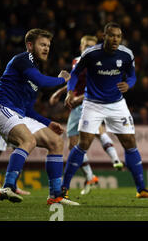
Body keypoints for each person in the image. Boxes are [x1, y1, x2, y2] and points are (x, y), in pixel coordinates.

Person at [61, 22, 148, 199]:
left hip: (117, 103)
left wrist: (128, 85)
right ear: (104, 36)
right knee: (83, 144)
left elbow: (132, 75)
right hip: (93, 103)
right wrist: (69, 91)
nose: (115, 39)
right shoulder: (91, 54)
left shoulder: (126, 54)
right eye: (112, 35)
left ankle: (141, 189)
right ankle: (64, 188)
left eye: (118, 36)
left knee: (130, 142)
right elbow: (75, 74)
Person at [0, 28, 79, 205]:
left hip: (18, 114)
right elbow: (43, 81)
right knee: (28, 140)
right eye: (42, 44)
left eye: (48, 46)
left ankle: (55, 195)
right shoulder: (22, 60)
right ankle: (7, 186)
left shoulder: (34, 69)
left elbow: (28, 109)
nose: (46, 48)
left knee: (56, 141)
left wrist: (48, 122)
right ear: (30, 45)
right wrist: (63, 79)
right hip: (0, 108)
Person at [49, 35, 124, 195]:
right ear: (81, 47)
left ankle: (105, 166)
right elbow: (74, 80)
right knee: (84, 138)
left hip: (86, 102)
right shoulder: (83, 61)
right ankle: (104, 166)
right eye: (86, 45)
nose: (88, 48)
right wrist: (62, 91)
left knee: (79, 141)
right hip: (85, 101)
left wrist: (74, 96)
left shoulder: (90, 61)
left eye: (91, 45)